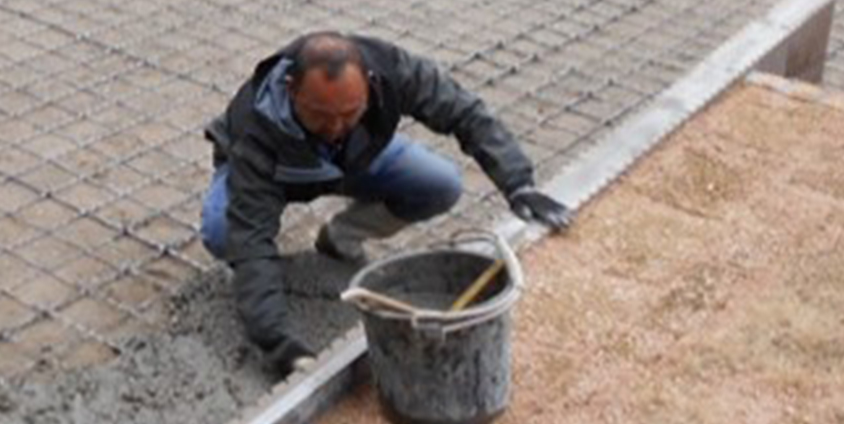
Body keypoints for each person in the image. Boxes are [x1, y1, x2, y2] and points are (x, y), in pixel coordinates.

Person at [201, 31, 576, 376]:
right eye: (320, 115)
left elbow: (464, 111)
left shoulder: (393, 69)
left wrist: (519, 185)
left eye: (350, 113)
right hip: (278, 173)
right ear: (290, 89)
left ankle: (339, 237)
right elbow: (250, 236)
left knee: (440, 184)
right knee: (224, 232)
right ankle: (262, 287)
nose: (335, 127)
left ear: (369, 83)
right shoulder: (257, 126)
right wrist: (275, 338)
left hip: (354, 160)